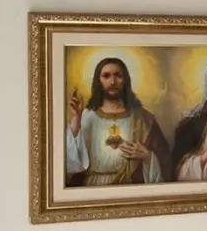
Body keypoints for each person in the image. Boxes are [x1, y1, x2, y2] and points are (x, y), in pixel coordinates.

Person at [66, 57, 170, 186]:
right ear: (98, 81)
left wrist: (148, 157)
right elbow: (70, 160)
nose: (112, 82)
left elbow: (165, 162)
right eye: (106, 76)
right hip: (94, 188)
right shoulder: (87, 116)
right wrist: (76, 118)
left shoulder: (143, 119)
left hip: (130, 187)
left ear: (125, 80)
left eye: (118, 76)